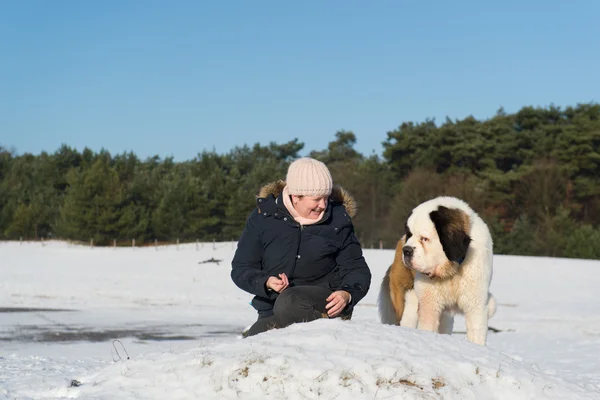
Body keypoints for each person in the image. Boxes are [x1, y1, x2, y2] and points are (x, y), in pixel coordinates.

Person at [231, 157, 371, 337]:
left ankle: (332, 337)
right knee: (256, 334)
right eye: (317, 199)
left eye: (326, 198)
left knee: (289, 301)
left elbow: (357, 269)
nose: (323, 205)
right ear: (295, 197)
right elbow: (241, 268)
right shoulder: (262, 218)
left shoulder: (338, 220)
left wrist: (347, 293)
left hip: (322, 304)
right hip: (272, 310)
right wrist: (265, 282)